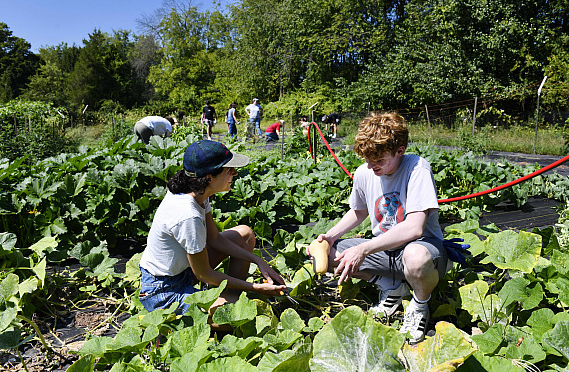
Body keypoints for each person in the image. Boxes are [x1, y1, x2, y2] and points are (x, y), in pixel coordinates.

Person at [308, 111, 448, 345]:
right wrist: (329, 237)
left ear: (400, 151)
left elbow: (414, 228)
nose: (372, 167)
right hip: (385, 249)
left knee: (415, 257)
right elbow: (359, 211)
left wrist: (363, 250)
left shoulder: (417, 168)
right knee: (332, 255)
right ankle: (391, 287)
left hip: (423, 249)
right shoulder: (365, 172)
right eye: (368, 161)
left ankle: (419, 305)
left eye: (380, 161)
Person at [138, 140, 287, 316]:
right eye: (229, 170)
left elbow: (215, 239)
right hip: (162, 290)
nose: (235, 173)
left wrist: (258, 261)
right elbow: (204, 274)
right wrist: (256, 287)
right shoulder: (187, 214)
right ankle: (226, 302)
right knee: (238, 313)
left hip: (184, 273)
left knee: (245, 234)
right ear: (209, 178)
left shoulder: (196, 191)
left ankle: (229, 296)